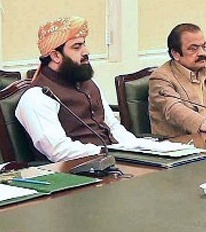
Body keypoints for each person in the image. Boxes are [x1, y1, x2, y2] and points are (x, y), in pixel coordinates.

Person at [16, 16, 142, 162]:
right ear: (56, 55)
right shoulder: (37, 96)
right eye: (77, 47)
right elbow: (58, 151)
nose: (86, 51)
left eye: (84, 45)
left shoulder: (89, 84)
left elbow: (112, 125)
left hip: (112, 162)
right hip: (76, 174)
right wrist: (109, 153)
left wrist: (137, 150)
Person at [148, 23, 206, 138]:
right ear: (175, 54)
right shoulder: (161, 77)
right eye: (193, 49)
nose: (202, 53)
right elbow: (173, 110)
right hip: (182, 145)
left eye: (203, 47)